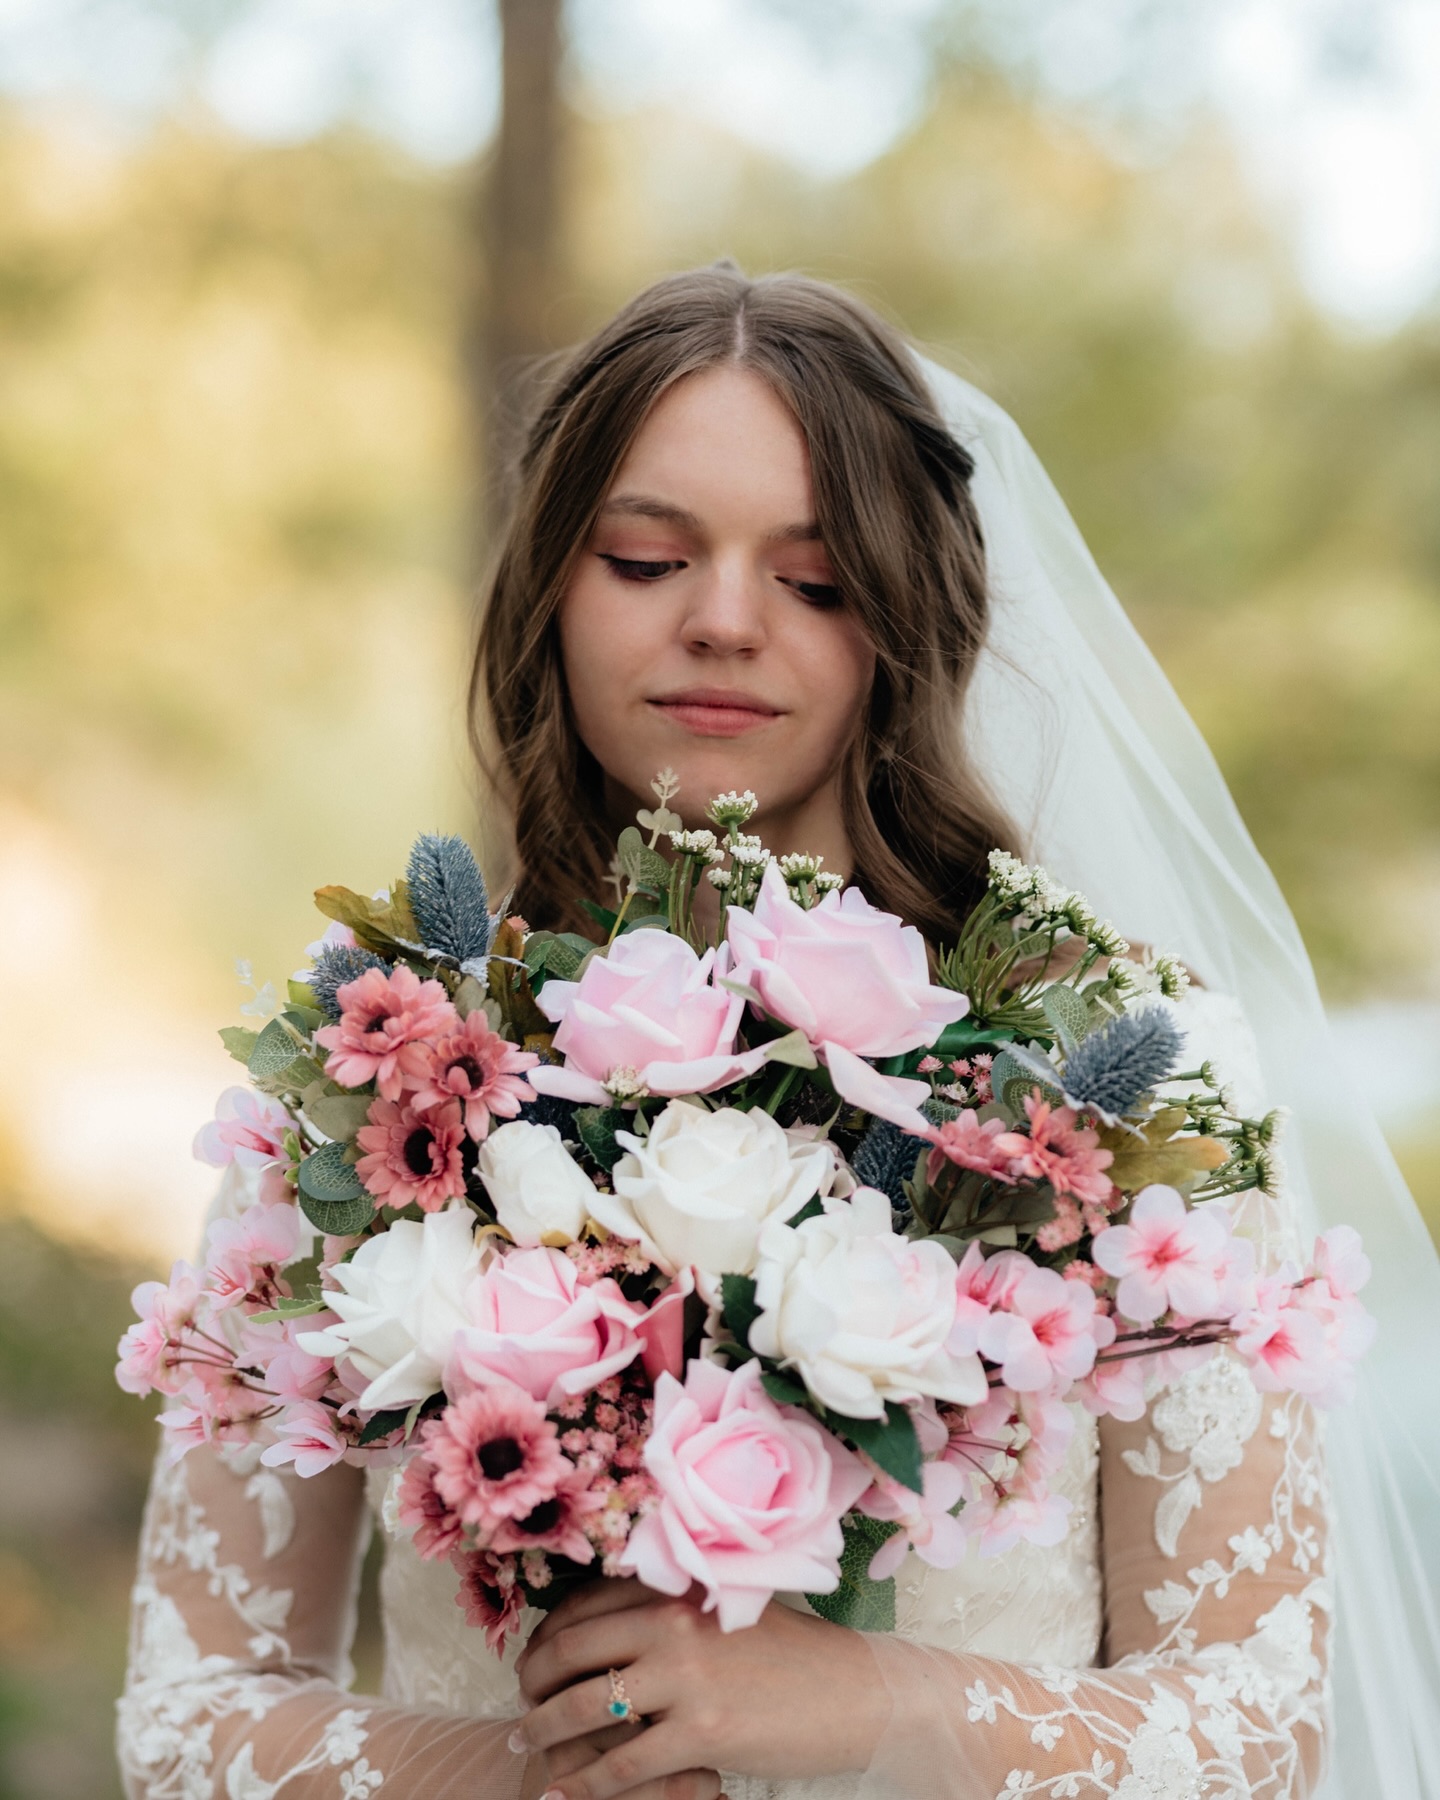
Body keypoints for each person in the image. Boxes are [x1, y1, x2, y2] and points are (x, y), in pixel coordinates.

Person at [116, 263, 1440, 1800]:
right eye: (644, 557)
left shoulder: (1123, 1081)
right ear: (551, 581)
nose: (725, 623)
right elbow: (183, 1716)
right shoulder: (385, 1061)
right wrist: (530, 1765)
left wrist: (867, 1703)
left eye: (814, 581)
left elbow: (1259, 1730)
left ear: (905, 613)